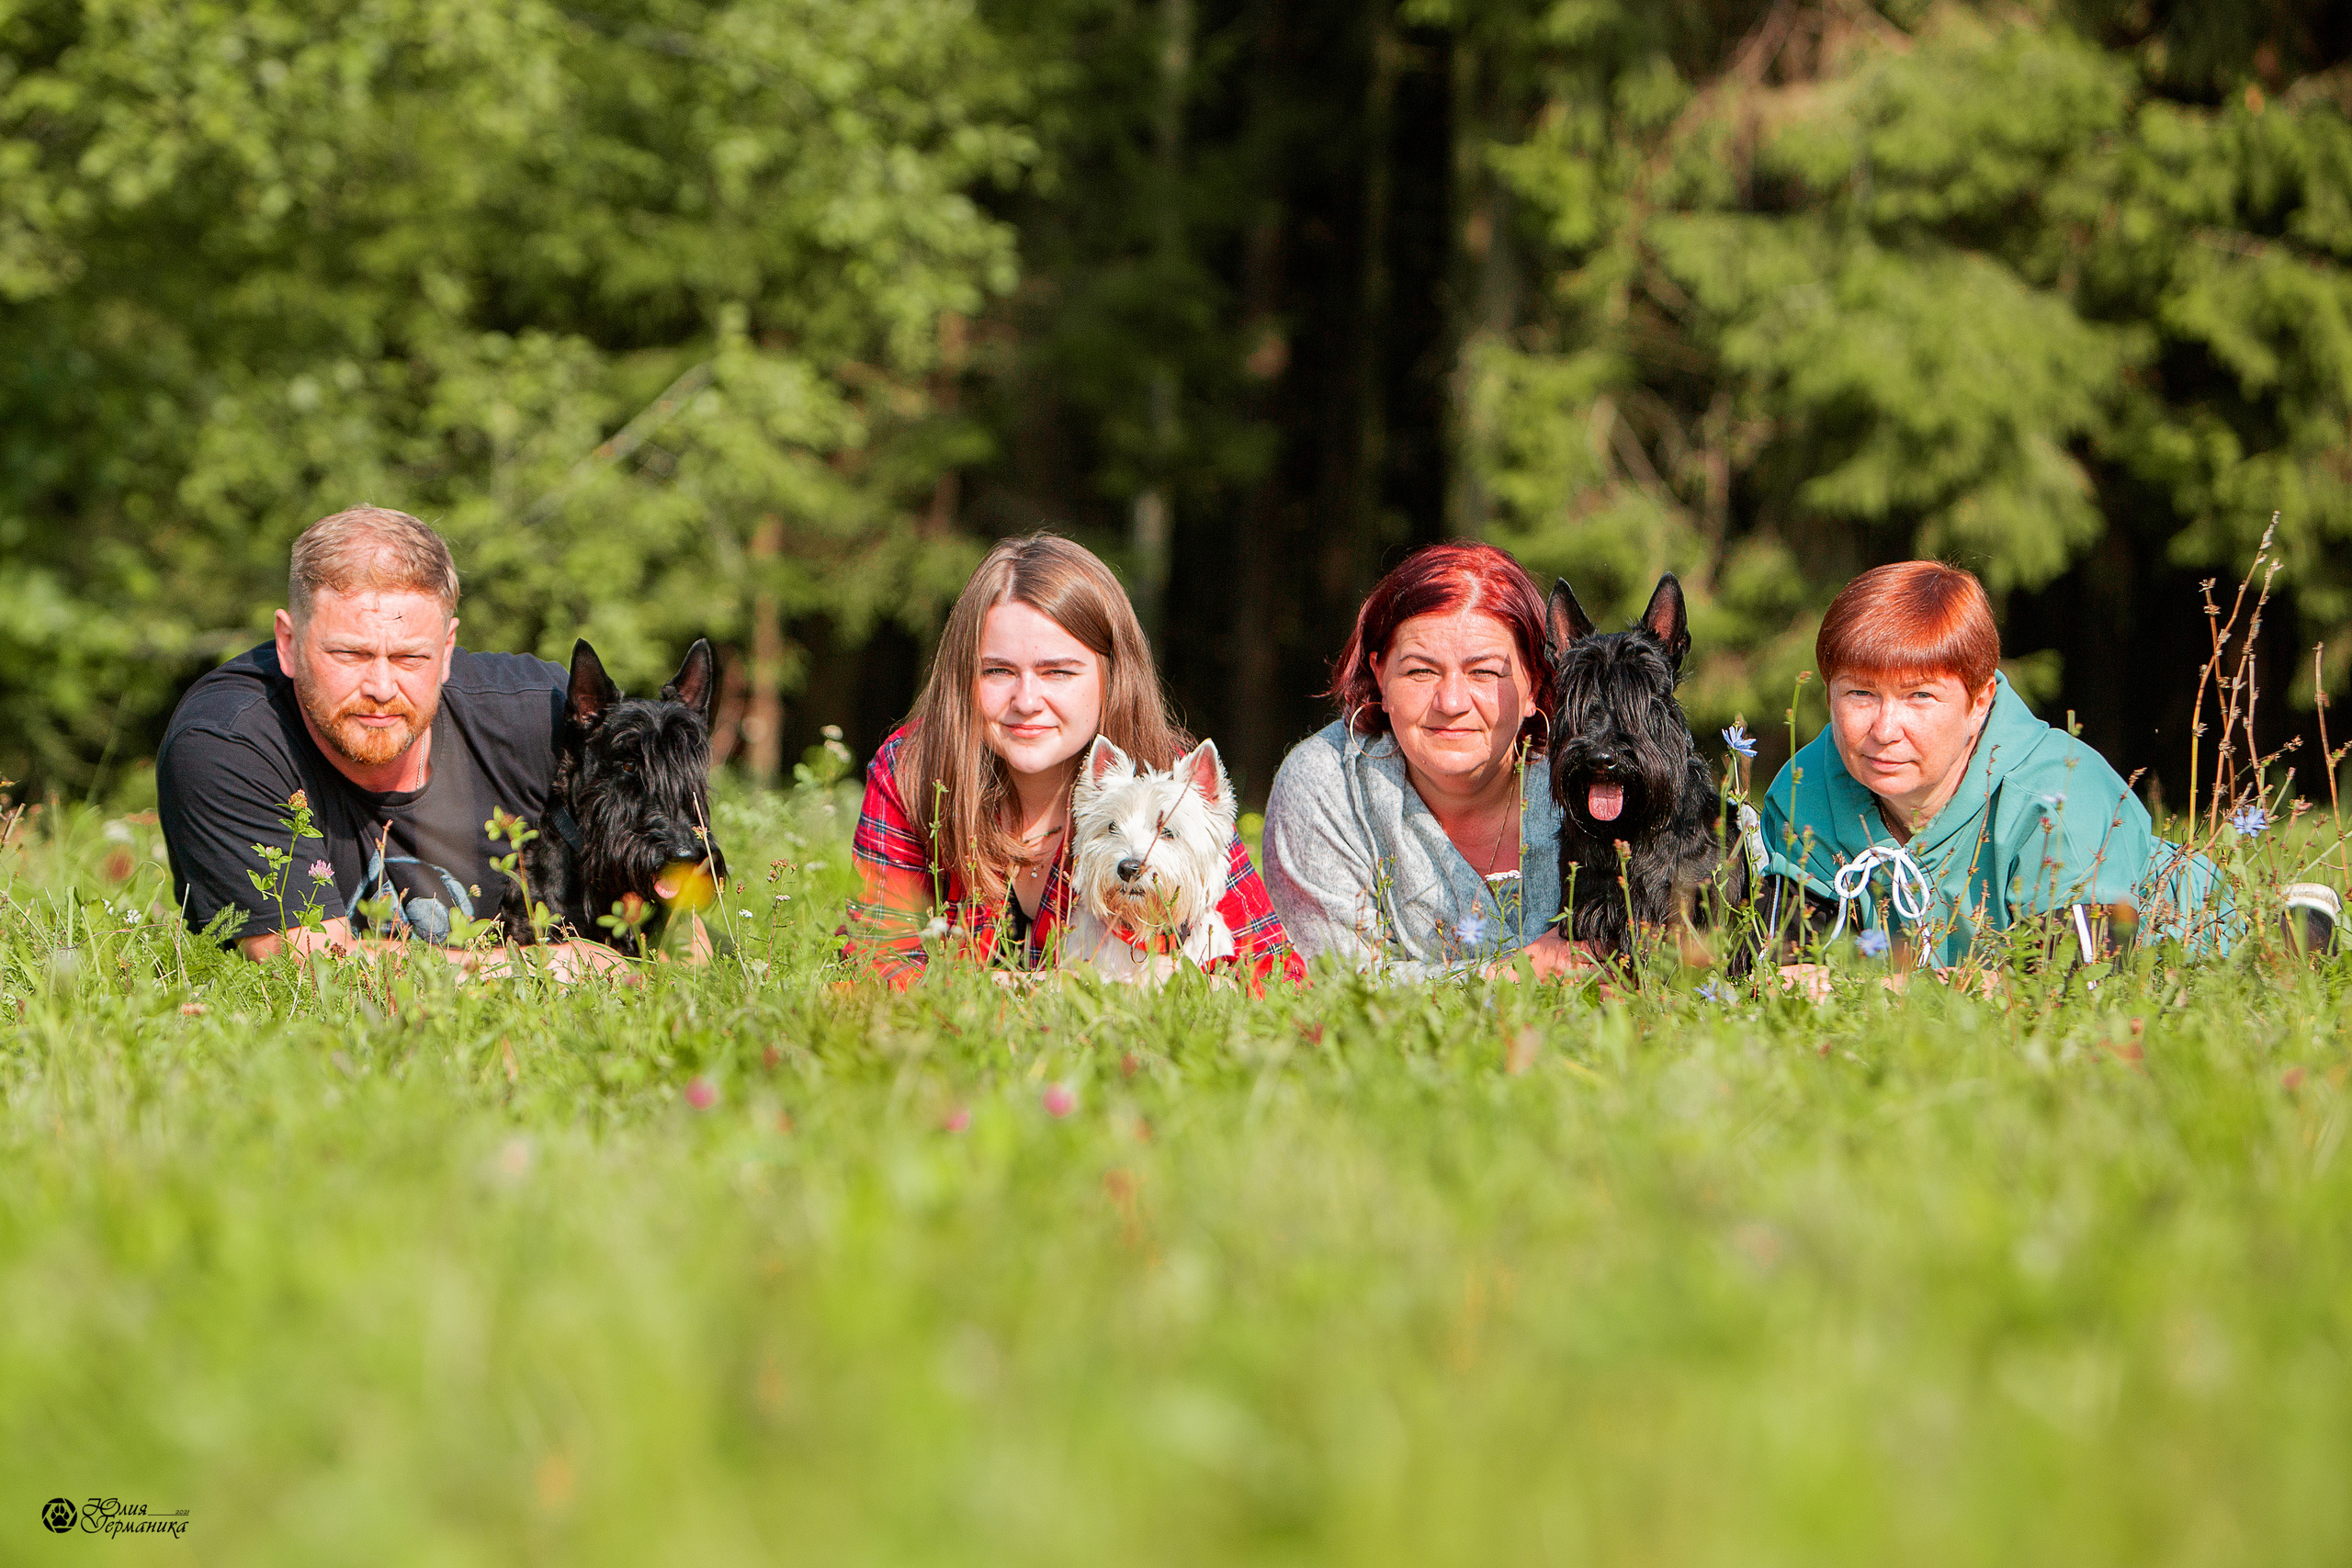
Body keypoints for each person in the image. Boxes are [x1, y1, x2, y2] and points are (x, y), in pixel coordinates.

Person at [157, 506, 628, 974]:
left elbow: (679, 854)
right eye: (350, 653)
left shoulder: (540, 714)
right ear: (288, 642)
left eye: (410, 657)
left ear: (446, 651)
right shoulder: (226, 740)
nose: (381, 688)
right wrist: (548, 969)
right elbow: (308, 966)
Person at [841, 533, 1304, 988]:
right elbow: (873, 965)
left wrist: (1188, 986)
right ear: (963, 676)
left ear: (1113, 675)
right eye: (997, 670)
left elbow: (1276, 974)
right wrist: (1041, 994)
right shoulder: (915, 770)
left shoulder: (1170, 785)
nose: (1026, 700)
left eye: (1057, 671)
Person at [1750, 559, 2233, 970]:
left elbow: (2078, 975)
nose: (1884, 729)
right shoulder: (1803, 791)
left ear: (1980, 701)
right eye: (1860, 693)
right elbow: (1791, 954)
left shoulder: (2060, 792)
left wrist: (1934, 995)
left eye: (1920, 696)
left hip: (2198, 943)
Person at [1261, 541, 1589, 979]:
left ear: (1534, 683)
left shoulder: (1597, 779)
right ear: (1380, 675)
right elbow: (1340, 989)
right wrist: (1522, 973)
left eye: (1484, 672)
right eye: (1420, 670)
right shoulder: (1325, 784)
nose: (1451, 701)